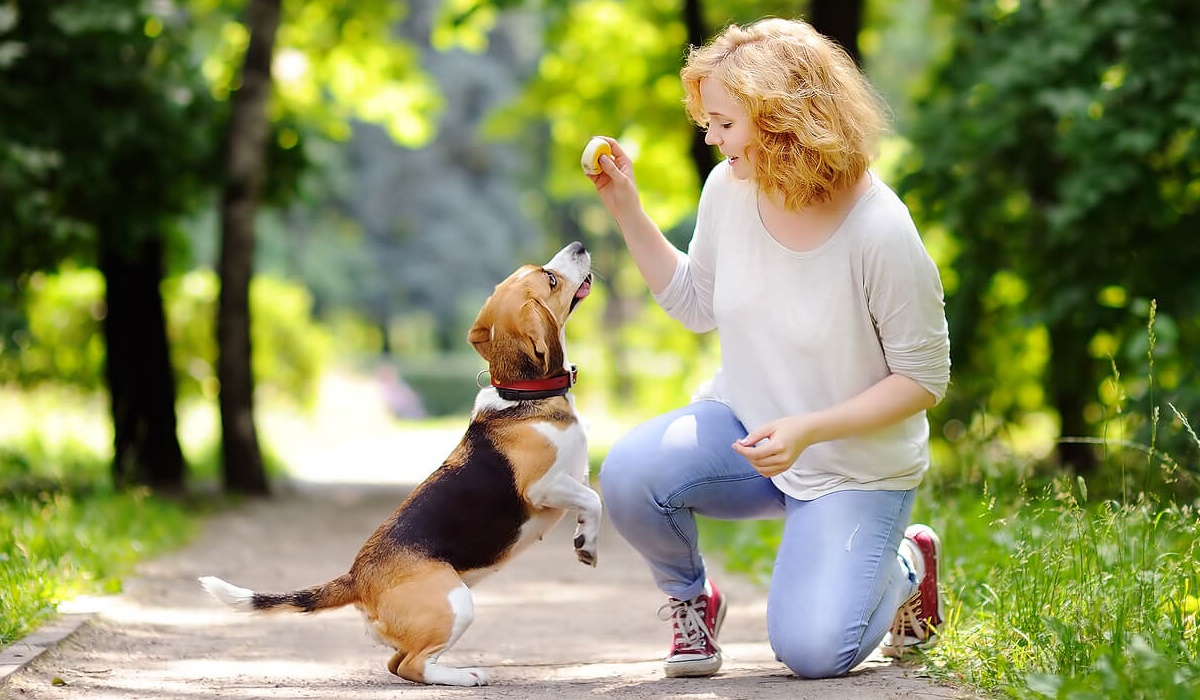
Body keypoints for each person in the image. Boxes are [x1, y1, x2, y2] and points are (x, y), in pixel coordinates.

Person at [583, 17, 951, 680]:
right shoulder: (730, 188)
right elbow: (696, 304)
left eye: (724, 122)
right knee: (631, 475)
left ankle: (907, 565)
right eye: (707, 122)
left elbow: (924, 379)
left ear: (784, 120)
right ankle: (692, 603)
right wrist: (627, 209)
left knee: (812, 653)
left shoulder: (881, 231)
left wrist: (811, 429)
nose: (711, 138)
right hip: (748, 432)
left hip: (852, 464)